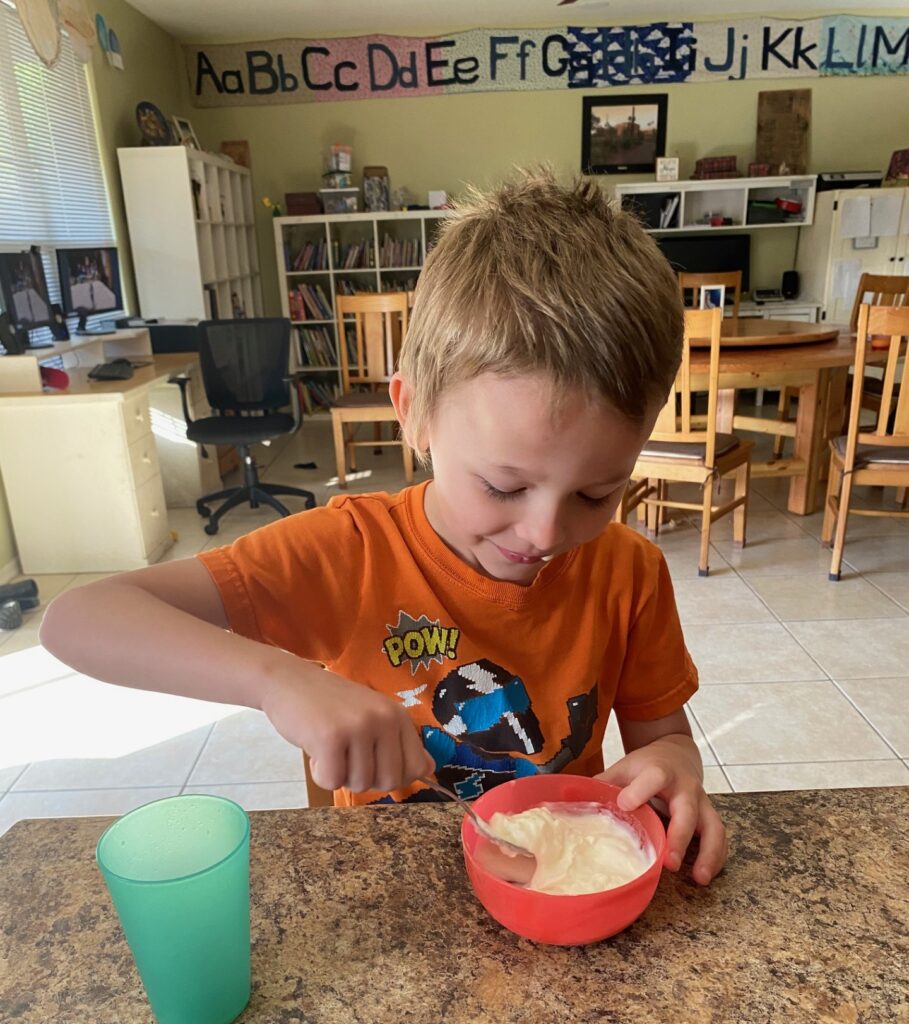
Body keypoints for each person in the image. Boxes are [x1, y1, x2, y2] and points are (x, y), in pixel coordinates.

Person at [41, 169, 727, 885]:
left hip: (551, 888)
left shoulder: (629, 573)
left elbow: (665, 739)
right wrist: (276, 679)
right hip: (385, 893)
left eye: (596, 492)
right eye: (502, 485)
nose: (545, 531)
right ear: (413, 414)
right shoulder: (347, 554)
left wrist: (673, 764)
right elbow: (81, 619)